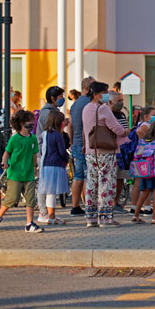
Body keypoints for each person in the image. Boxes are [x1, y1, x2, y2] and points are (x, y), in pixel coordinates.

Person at [82, 81, 129, 228]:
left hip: (91, 150)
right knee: (106, 183)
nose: (106, 94)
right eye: (104, 92)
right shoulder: (103, 109)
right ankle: (105, 218)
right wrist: (126, 131)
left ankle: (91, 217)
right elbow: (117, 128)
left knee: (91, 182)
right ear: (96, 94)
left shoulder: (86, 108)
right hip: (106, 150)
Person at [0, 110, 41, 232]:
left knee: (30, 199)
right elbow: (7, 152)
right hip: (15, 174)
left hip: (28, 173)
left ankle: (29, 223)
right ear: (22, 123)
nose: (32, 124)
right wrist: (4, 162)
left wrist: (35, 167)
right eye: (30, 121)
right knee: (12, 198)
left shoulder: (33, 138)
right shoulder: (15, 139)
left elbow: (35, 154)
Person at [131, 119, 155, 225]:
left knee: (145, 192)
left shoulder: (144, 140)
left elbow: (139, 153)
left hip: (145, 169)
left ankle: (135, 215)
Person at [37, 110, 70, 225]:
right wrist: (67, 159)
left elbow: (42, 149)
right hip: (56, 165)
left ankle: (48, 215)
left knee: (48, 191)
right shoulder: (58, 135)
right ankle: (52, 217)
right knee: (52, 192)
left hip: (45, 165)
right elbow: (62, 151)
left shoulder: (44, 133)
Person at [68, 76, 95, 216]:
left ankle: (75, 206)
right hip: (87, 144)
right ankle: (89, 205)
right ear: (86, 88)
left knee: (78, 176)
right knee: (88, 175)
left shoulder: (75, 104)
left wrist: (72, 142)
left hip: (77, 144)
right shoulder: (90, 103)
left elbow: (70, 125)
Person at [107, 90, 131, 213]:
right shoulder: (108, 114)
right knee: (112, 178)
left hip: (123, 150)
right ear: (111, 101)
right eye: (119, 101)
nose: (121, 103)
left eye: (122, 100)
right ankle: (109, 203)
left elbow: (125, 127)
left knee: (121, 177)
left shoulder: (121, 114)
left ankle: (116, 202)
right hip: (113, 150)